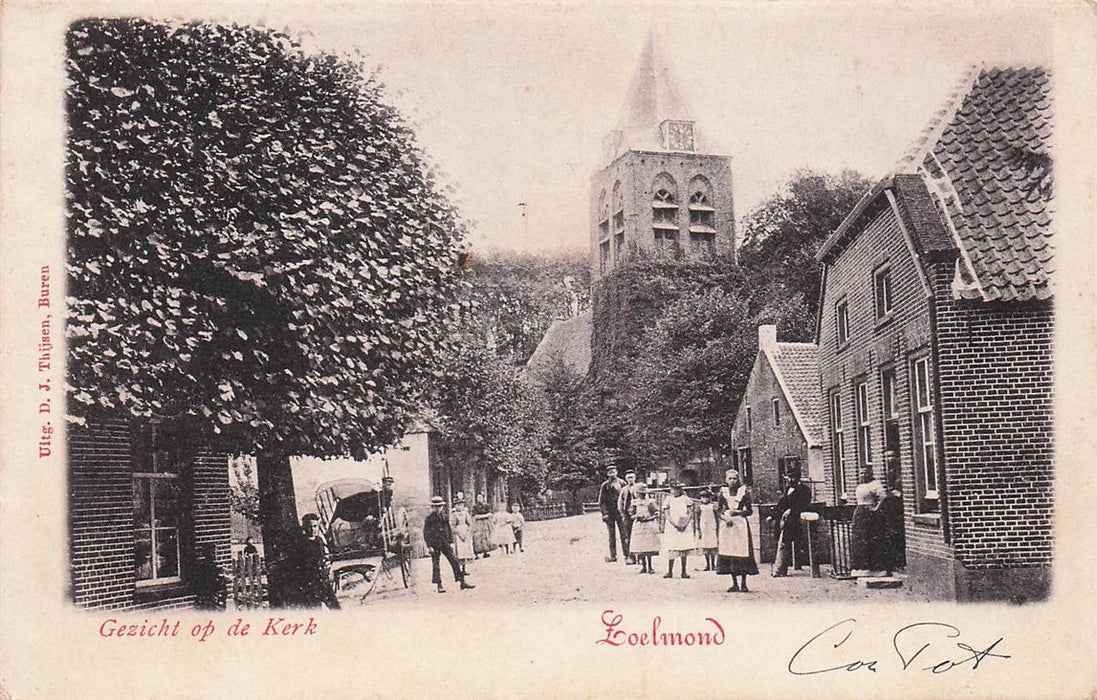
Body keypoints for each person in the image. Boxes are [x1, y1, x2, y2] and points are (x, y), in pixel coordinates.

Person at [716, 470, 758, 593]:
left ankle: (744, 583)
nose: (732, 481)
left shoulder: (743, 492)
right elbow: (718, 510)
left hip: (740, 524)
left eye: (734, 479)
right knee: (730, 552)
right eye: (730, 479)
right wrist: (725, 518)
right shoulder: (723, 493)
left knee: (742, 552)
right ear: (726, 480)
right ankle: (734, 583)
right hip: (728, 525)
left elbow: (750, 511)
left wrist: (738, 512)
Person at [424, 496, 474, 593]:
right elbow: (426, 533)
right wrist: (429, 546)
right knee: (436, 564)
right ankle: (439, 585)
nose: (438, 508)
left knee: (454, 561)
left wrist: (451, 541)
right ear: (433, 507)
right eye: (436, 506)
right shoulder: (429, 519)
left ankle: (462, 582)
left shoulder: (444, 516)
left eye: (440, 506)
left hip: (444, 542)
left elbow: (449, 530)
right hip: (434, 544)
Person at [771, 466, 812, 577]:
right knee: (782, 542)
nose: (791, 480)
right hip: (785, 520)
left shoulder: (805, 490)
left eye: (793, 477)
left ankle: (779, 569)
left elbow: (804, 504)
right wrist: (773, 515)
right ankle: (781, 568)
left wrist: (791, 510)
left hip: (796, 521)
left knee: (784, 543)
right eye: (789, 477)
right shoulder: (788, 489)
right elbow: (781, 504)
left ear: (798, 478)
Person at [850, 466, 889, 578]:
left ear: (870, 474)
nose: (863, 475)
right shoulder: (860, 486)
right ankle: (861, 567)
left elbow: (884, 497)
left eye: (865, 473)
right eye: (861, 473)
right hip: (859, 513)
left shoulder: (875, 484)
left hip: (870, 514)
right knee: (859, 539)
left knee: (870, 538)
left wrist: (876, 508)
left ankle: (875, 568)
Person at [299, 513, 341, 609]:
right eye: (309, 526)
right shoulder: (301, 543)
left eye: (315, 526)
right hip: (310, 583)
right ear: (304, 528)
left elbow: (324, 557)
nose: (313, 529)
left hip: (323, 579)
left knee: (335, 607)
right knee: (315, 610)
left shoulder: (319, 540)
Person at [661, 481, 695, 579]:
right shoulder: (668, 500)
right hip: (672, 526)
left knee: (683, 548)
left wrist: (685, 523)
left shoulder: (685, 499)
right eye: (673, 489)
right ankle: (669, 571)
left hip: (684, 526)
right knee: (672, 547)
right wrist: (675, 524)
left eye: (677, 489)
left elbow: (690, 513)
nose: (675, 491)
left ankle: (684, 571)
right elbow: (667, 514)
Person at [627, 484, 660, 574]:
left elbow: (657, 513)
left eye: (641, 493)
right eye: (638, 493)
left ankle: (650, 566)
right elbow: (631, 514)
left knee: (648, 545)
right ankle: (644, 566)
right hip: (639, 525)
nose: (639, 495)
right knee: (640, 545)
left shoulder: (650, 502)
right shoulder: (634, 503)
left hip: (649, 524)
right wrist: (637, 516)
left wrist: (648, 518)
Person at [880, 461, 905, 574]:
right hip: (891, 508)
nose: (890, 459)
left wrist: (898, 493)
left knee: (898, 534)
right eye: (888, 457)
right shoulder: (889, 474)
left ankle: (900, 562)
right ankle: (895, 562)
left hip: (900, 508)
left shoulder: (902, 473)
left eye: (892, 457)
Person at [598, 465, 627, 562]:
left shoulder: (622, 483)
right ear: (607, 474)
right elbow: (602, 501)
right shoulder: (605, 485)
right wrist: (605, 513)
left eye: (613, 472)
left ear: (617, 472)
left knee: (624, 534)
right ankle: (613, 556)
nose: (612, 474)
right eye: (610, 472)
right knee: (611, 536)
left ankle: (627, 555)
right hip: (610, 514)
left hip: (620, 512)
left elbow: (626, 498)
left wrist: (625, 511)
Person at [617, 470, 640, 564]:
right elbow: (620, 503)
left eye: (632, 477)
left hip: (638, 515)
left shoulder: (639, 488)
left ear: (635, 478)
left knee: (638, 535)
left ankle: (641, 557)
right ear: (626, 479)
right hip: (627, 515)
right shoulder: (624, 490)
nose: (630, 479)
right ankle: (630, 556)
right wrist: (623, 513)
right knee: (627, 535)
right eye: (628, 478)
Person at [449, 494, 474, 576]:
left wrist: (467, 532)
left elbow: (470, 523)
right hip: (458, 532)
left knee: (465, 550)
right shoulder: (454, 514)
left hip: (465, 531)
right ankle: (459, 569)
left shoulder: (465, 513)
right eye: (458, 505)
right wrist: (459, 533)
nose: (460, 506)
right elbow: (452, 526)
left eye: (461, 505)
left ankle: (464, 568)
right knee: (459, 551)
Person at [696, 489, 719, 571]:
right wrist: (698, 529)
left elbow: (717, 517)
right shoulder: (700, 507)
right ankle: (707, 565)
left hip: (712, 527)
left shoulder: (713, 506)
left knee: (712, 546)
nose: (705, 499)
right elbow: (698, 519)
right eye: (703, 497)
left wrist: (717, 528)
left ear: (710, 498)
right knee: (705, 546)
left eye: (707, 497)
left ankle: (713, 564)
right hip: (704, 527)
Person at [471, 492, 495, 559]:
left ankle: (485, 552)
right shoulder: (475, 506)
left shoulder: (486, 505)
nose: (479, 499)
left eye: (480, 497)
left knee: (486, 536)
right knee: (477, 537)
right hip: (478, 524)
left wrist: (484, 516)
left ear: (483, 498)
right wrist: (484, 516)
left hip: (486, 523)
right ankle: (476, 554)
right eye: (478, 497)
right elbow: (475, 516)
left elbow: (490, 514)